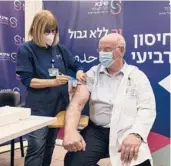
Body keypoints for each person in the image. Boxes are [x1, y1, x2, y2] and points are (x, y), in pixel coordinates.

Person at [63, 33, 156, 166]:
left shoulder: (137, 77)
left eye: (107, 50)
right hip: (97, 131)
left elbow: (147, 108)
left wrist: (136, 134)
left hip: (127, 131)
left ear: (121, 50)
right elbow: (76, 104)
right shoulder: (92, 74)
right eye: (100, 50)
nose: (102, 54)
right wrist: (70, 131)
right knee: (74, 163)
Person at [16, 10, 86, 166]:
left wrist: (80, 71)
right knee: (36, 148)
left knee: (49, 145)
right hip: (39, 110)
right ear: (36, 30)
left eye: (53, 31)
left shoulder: (59, 49)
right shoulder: (26, 50)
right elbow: (28, 81)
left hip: (58, 107)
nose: (51, 35)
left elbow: (76, 64)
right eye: (47, 31)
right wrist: (53, 82)